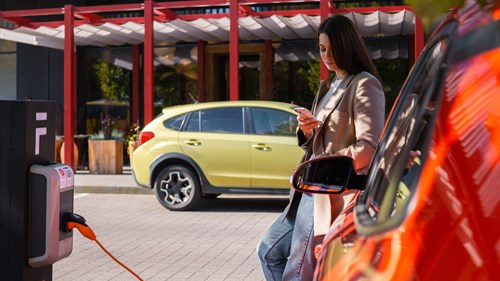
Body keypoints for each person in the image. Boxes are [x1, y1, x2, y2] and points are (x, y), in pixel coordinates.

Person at [257, 15, 385, 281]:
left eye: (332, 49)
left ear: (347, 46)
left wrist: (327, 162)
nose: (326, 56)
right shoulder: (328, 85)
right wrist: (306, 130)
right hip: (307, 188)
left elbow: (368, 147)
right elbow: (322, 135)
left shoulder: (364, 83)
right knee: (268, 251)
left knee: (299, 270)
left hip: (329, 189)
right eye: (322, 49)